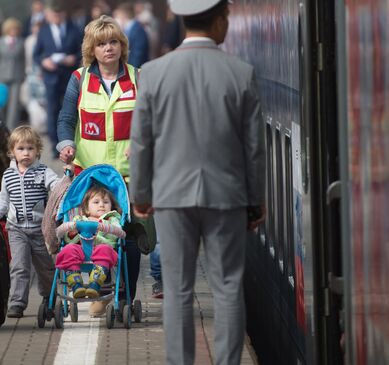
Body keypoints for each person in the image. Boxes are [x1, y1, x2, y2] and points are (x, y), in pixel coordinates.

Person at [128, 1, 266, 364]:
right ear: (220, 20)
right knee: (228, 288)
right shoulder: (240, 73)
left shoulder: (154, 73)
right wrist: (256, 201)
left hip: (171, 197)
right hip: (228, 196)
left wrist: (140, 194)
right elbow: (254, 149)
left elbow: (141, 141)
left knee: (177, 291)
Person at [57, 15, 142, 317]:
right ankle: (97, 288)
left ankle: (123, 295)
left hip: (127, 177)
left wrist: (141, 141)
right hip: (88, 177)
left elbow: (151, 120)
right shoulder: (79, 79)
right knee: (87, 236)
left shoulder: (137, 77)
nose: (109, 48)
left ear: (122, 46)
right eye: (102, 43)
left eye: (114, 42)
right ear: (91, 49)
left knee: (126, 238)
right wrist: (65, 144)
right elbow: (66, 118)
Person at [0, 126, 58, 318]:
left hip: (39, 229)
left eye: (30, 148)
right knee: (19, 266)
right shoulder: (8, 175)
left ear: (37, 151)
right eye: (21, 149)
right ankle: (17, 302)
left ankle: (50, 297)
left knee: (46, 267)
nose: (26, 153)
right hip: (16, 229)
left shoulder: (43, 172)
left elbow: (56, 185)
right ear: (12, 151)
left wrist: (62, 184)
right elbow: (3, 200)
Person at [56, 185, 123, 298]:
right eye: (96, 202)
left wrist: (99, 234)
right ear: (87, 208)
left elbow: (114, 238)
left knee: (105, 249)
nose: (101, 205)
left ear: (111, 206)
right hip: (81, 252)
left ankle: (95, 283)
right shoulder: (79, 219)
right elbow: (68, 239)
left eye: (106, 202)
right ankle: (76, 284)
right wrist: (72, 234)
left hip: (102, 252)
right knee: (68, 249)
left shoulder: (112, 219)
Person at [33, 2, 82, 157]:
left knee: (71, 110)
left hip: (69, 76)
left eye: (59, 14)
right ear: (49, 14)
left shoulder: (74, 29)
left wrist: (73, 58)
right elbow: (36, 54)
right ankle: (56, 145)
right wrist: (44, 61)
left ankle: (72, 144)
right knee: (53, 110)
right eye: (54, 14)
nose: (57, 17)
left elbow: (82, 50)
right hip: (51, 77)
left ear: (64, 14)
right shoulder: (44, 31)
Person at [0, 18, 26, 131]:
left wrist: (23, 74)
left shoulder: (21, 42)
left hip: (16, 76)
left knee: (14, 105)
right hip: (1, 76)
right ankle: (1, 125)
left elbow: (23, 60)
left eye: (16, 29)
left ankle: (11, 128)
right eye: (12, 29)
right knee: (1, 102)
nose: (14, 31)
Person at [113, 3, 149, 68]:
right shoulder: (128, 29)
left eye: (117, 16)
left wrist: (130, 72)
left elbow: (138, 55)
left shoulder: (138, 30)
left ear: (124, 15)